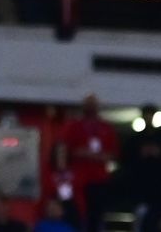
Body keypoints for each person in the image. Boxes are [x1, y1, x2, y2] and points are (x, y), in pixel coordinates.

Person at [56, 95, 117, 232]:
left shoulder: (106, 128)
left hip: (99, 180)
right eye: (88, 104)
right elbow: (63, 148)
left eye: (93, 104)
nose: (91, 107)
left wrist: (93, 155)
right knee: (76, 213)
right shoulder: (73, 126)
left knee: (96, 216)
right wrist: (63, 173)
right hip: (78, 180)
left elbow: (113, 154)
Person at [121, 104, 161, 210]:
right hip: (140, 181)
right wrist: (141, 154)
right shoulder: (136, 139)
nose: (148, 119)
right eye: (146, 116)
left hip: (159, 181)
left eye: (150, 116)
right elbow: (126, 159)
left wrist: (159, 154)